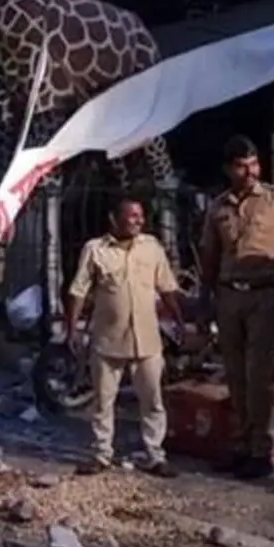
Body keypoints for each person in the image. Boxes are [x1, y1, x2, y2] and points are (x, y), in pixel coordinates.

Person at [200, 135, 274, 480]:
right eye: (243, 165)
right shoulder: (218, 207)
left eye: (254, 163)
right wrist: (205, 300)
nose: (251, 171)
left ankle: (262, 449)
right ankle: (242, 444)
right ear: (229, 169)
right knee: (235, 374)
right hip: (230, 294)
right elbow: (210, 257)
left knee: (260, 375)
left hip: (266, 294)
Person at [66, 198, 185, 478]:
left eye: (140, 215)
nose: (138, 220)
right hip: (108, 341)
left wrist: (179, 318)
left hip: (147, 341)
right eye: (131, 215)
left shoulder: (152, 247)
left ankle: (155, 455)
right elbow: (78, 291)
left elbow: (166, 287)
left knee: (153, 400)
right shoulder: (95, 249)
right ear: (114, 218)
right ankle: (101, 454)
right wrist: (72, 329)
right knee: (103, 401)